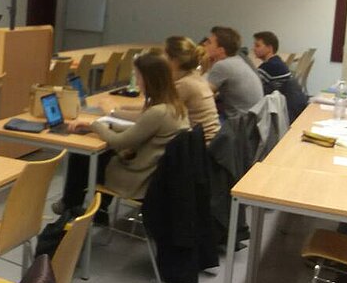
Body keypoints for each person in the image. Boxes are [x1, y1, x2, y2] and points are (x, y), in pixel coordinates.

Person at [57, 51, 190, 219]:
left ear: (148, 79)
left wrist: (94, 125)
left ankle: (69, 209)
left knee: (82, 156)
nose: (136, 81)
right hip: (154, 174)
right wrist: (108, 126)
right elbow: (139, 130)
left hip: (137, 179)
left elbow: (119, 142)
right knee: (103, 156)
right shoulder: (176, 107)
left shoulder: (158, 112)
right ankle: (93, 211)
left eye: (138, 76)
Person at [164, 36, 220, 141]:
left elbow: (159, 115)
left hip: (201, 144)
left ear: (174, 60)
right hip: (212, 141)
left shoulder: (184, 85)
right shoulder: (195, 77)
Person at [204, 26, 264, 119]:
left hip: (239, 123)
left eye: (209, 42)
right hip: (252, 120)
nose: (204, 44)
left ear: (220, 50)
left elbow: (202, 96)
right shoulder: (237, 60)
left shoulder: (223, 65)